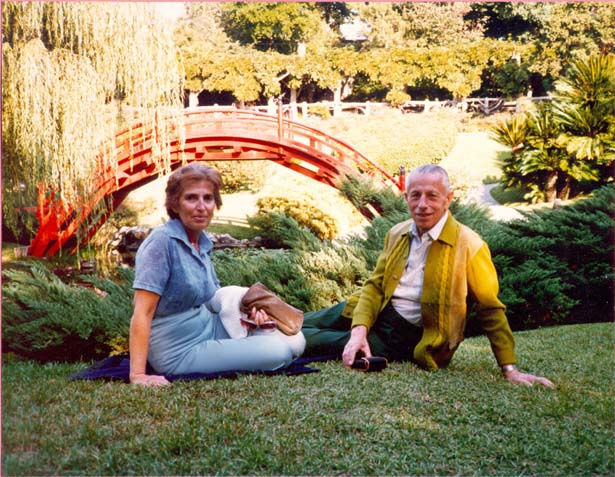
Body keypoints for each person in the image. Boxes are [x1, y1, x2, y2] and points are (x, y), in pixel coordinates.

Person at [302, 164, 554, 387]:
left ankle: (270, 335)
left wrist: (510, 369)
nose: (423, 204)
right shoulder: (397, 233)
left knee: (307, 339)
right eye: (416, 195)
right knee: (297, 320)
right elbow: (375, 287)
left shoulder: (469, 245)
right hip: (371, 310)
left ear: (448, 199)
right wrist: (359, 329)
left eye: (432, 196)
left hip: (404, 335)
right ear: (406, 198)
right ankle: (262, 315)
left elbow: (490, 309)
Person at [129, 163, 297, 386]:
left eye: (208, 198)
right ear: (175, 204)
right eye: (191, 198)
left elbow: (210, 299)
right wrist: (138, 375)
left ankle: (254, 339)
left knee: (297, 342)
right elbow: (142, 311)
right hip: (179, 348)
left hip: (209, 327)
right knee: (280, 352)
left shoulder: (201, 242)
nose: (201, 206)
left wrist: (249, 317)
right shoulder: (162, 242)